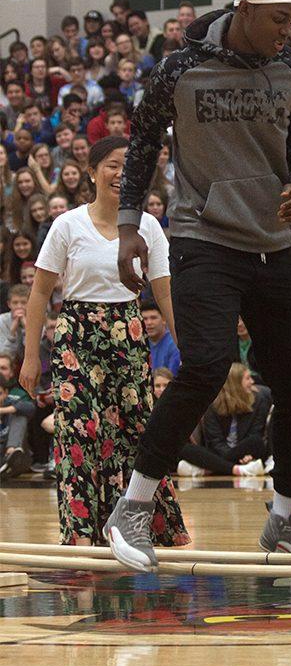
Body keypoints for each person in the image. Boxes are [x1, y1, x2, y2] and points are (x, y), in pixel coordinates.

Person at [96, 0, 291, 568]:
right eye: (280, 19)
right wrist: (128, 228)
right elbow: (143, 144)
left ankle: (286, 515)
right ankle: (135, 506)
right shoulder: (180, 67)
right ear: (244, 9)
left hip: (274, 243)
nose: (289, 30)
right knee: (204, 363)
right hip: (203, 236)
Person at [19, 136, 189, 548]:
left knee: (137, 433)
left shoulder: (148, 226)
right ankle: (79, 536)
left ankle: (155, 530)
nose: (120, 173)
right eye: (112, 165)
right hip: (76, 336)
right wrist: (29, 358)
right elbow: (40, 293)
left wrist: (188, 346)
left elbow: (164, 292)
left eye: (128, 166)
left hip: (128, 336)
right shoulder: (67, 224)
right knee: (78, 434)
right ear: (92, 172)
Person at [177, 363, 272, 479]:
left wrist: (246, 455)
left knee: (257, 442)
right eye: (247, 378)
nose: (252, 382)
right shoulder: (212, 406)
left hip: (243, 450)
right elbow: (215, 442)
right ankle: (237, 469)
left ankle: (209, 468)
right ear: (235, 384)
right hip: (219, 452)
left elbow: (254, 434)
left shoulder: (258, 400)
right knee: (184, 448)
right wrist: (237, 458)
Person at [0, 370, 35, 478]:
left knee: (19, 416)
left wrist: (3, 410)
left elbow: (30, 407)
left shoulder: (12, 402)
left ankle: (11, 452)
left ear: (6, 393)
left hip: (19, 459)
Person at [140, 299, 181, 376]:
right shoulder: (140, 344)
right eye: (145, 319)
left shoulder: (174, 346)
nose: (149, 323)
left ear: (164, 319)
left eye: (153, 318)